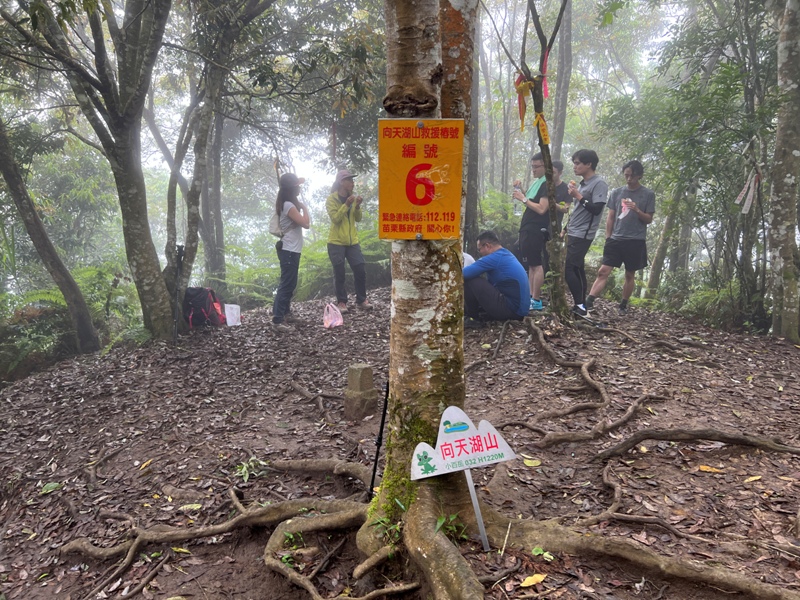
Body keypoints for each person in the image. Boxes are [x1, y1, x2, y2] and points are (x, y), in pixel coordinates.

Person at [585, 160, 655, 316]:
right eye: (626, 175)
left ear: (639, 176)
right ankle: (589, 300)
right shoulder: (617, 192)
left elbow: (648, 219)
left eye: (632, 176)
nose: (628, 179)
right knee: (603, 271)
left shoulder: (648, 194)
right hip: (616, 239)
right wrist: (608, 237)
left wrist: (636, 209)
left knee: (630, 274)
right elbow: (611, 216)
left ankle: (623, 304)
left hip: (635, 240)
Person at [565, 149, 608, 316]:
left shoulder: (599, 183)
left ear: (589, 164)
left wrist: (578, 196)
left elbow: (596, 209)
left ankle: (580, 306)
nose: (574, 167)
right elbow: (577, 211)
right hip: (574, 230)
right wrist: (565, 229)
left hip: (584, 233)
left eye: (577, 163)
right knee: (577, 268)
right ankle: (582, 306)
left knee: (569, 268)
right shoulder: (583, 183)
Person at [463, 230, 531, 328]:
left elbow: (463, 274)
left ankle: (472, 318)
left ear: (487, 246)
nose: (480, 253)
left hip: (512, 310)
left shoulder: (494, 258)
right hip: (519, 310)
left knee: (471, 280)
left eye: (479, 249)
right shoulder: (505, 254)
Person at [326, 169, 372, 313]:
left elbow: (357, 218)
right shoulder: (331, 199)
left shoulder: (352, 198)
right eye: (349, 180)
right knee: (339, 273)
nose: (352, 183)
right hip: (336, 242)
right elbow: (335, 219)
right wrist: (346, 204)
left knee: (360, 269)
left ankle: (361, 300)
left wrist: (357, 206)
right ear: (341, 182)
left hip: (353, 242)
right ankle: (341, 302)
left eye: (352, 180)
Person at [272, 173, 310, 333]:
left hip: (291, 250)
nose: (299, 188)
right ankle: (277, 320)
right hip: (289, 250)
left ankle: (286, 313)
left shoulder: (286, 204)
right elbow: (306, 224)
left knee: (290, 283)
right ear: (292, 189)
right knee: (287, 284)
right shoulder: (288, 205)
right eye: (297, 186)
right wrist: (305, 208)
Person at [512, 153, 550, 311]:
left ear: (545, 166)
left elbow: (542, 208)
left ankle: (536, 299)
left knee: (536, 264)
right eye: (532, 166)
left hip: (536, 228)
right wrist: (521, 191)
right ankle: (529, 297)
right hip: (527, 228)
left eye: (536, 167)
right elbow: (532, 199)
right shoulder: (538, 182)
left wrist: (523, 199)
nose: (533, 170)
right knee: (530, 265)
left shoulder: (547, 183)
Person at [543, 159, 572, 275]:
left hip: (553, 227)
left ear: (560, 173)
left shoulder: (565, 188)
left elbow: (566, 208)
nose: (550, 175)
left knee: (550, 256)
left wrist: (551, 203)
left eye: (553, 172)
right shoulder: (544, 185)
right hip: (538, 223)